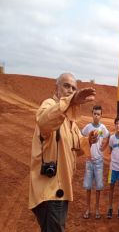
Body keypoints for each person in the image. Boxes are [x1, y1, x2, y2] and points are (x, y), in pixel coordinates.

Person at [29, 73, 96, 231]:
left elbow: (75, 145)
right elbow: (44, 122)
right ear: (56, 88)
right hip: (49, 191)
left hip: (61, 190)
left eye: (73, 88)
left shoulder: (69, 117)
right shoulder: (50, 105)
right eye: (66, 86)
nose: (70, 90)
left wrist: (87, 140)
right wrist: (70, 101)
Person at [82, 105, 110, 219]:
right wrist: (85, 150)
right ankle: (88, 209)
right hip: (89, 161)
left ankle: (97, 209)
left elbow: (108, 136)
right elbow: (81, 136)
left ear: (101, 115)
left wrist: (104, 148)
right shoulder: (88, 127)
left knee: (98, 187)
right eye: (95, 113)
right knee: (88, 187)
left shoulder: (103, 128)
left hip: (99, 161)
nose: (96, 116)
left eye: (98, 114)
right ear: (92, 114)